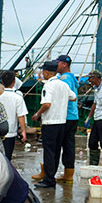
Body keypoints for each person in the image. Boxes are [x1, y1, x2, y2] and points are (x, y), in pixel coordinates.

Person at [32, 61, 76, 189]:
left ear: (46, 72)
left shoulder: (48, 86)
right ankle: (51, 177)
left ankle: (49, 179)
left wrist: (37, 114)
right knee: (56, 151)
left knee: (49, 152)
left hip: (50, 123)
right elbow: (73, 97)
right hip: (62, 122)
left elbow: (47, 104)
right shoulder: (63, 84)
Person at [55, 55, 80, 183]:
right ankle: (68, 173)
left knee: (59, 145)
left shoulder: (64, 78)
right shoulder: (72, 77)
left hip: (66, 116)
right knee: (69, 144)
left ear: (64, 64)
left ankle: (62, 173)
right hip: (73, 115)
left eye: (58, 62)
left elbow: (63, 95)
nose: (56, 65)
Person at [0, 70, 28, 160]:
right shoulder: (18, 97)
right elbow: (21, 116)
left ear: (2, 81)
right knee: (8, 157)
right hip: (10, 132)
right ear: (14, 81)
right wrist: (23, 131)